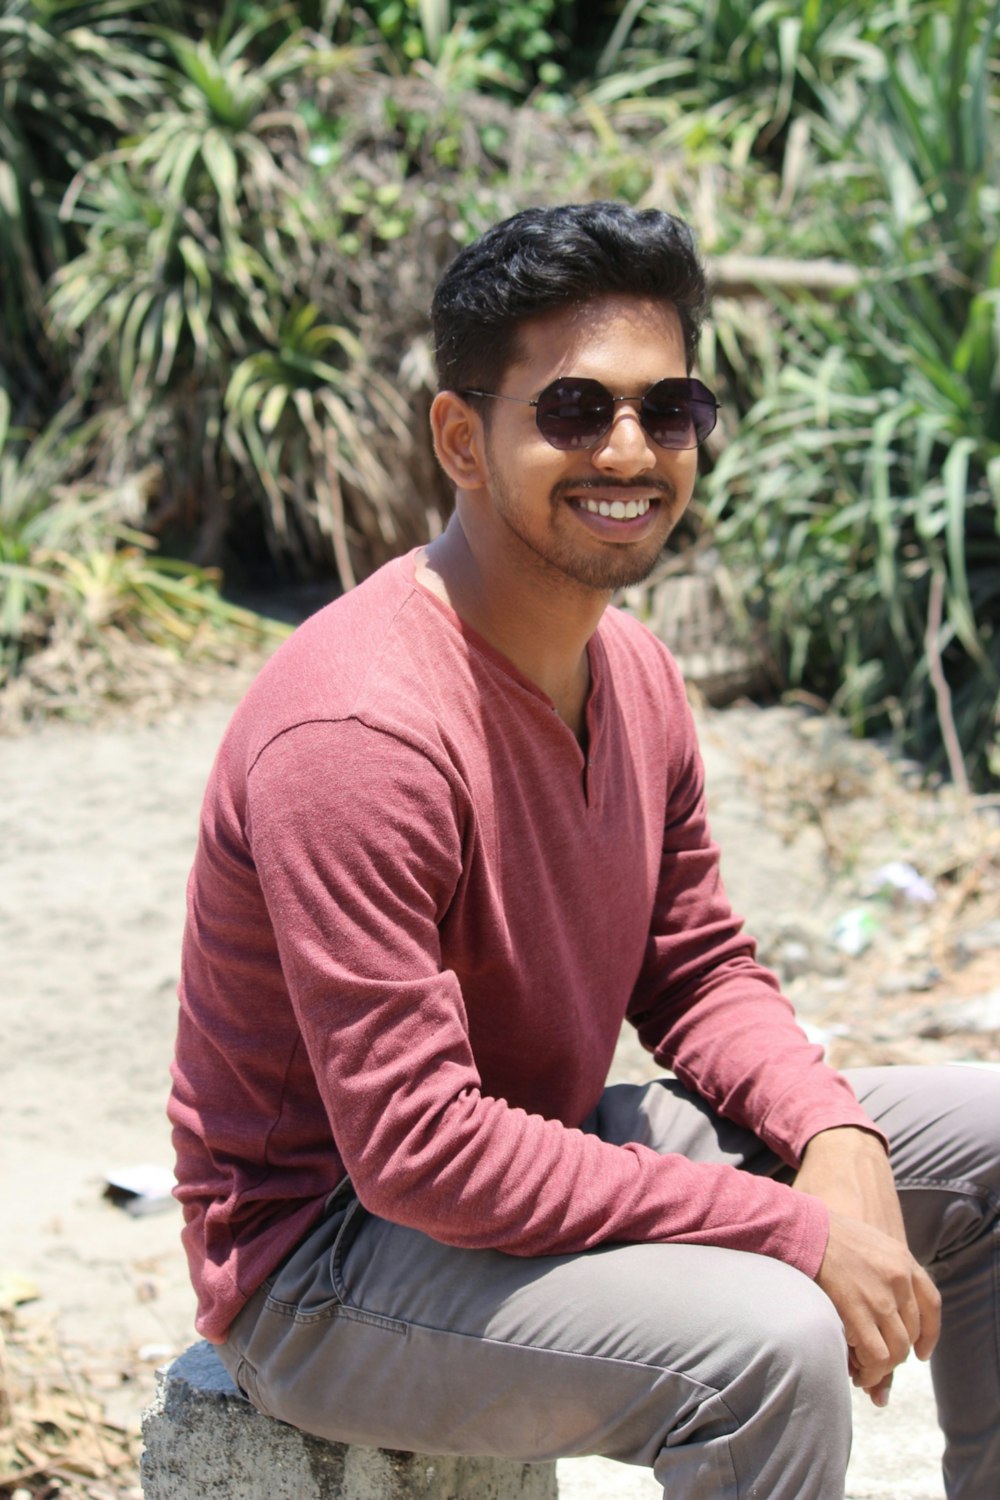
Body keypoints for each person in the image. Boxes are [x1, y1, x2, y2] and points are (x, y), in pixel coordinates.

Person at [169, 201, 999, 1499]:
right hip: (329, 1263)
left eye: (667, 411)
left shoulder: (637, 674)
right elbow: (418, 1149)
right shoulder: (359, 727)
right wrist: (790, 1222)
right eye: (574, 411)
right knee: (765, 1349)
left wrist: (831, 1134)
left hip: (533, 1147)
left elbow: (698, 970)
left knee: (987, 1141)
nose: (629, 449)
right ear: (462, 435)